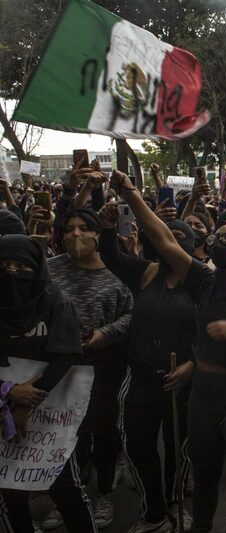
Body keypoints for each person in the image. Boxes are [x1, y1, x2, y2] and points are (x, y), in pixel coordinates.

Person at [109, 170, 226, 533]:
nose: (224, 241)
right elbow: (162, 238)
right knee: (204, 472)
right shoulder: (202, 279)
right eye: (220, 236)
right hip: (205, 393)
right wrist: (130, 192)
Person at [97, 203, 195, 533]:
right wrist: (108, 228)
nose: (174, 243)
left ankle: (173, 504)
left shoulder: (203, 282)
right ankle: (152, 512)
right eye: (169, 236)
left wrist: (191, 366)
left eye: (181, 238)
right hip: (140, 379)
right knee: (138, 446)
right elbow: (110, 256)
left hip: (181, 383)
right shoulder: (146, 272)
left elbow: (215, 334)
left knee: (178, 452)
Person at [0, 235, 97, 533]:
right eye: (4, 265)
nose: (12, 273)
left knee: (65, 489)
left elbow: (65, 356)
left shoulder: (55, 302)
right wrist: (9, 395)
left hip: (48, 415)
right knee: (11, 493)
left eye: (22, 266)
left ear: (38, 269)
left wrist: (26, 402)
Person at [44, 208, 133, 531]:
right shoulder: (50, 269)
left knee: (104, 430)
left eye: (84, 228)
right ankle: (69, 496)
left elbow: (133, 314)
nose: (77, 235)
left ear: (98, 234)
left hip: (106, 363)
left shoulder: (119, 271)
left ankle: (104, 493)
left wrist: (104, 335)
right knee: (68, 433)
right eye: (70, 229)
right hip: (62, 364)